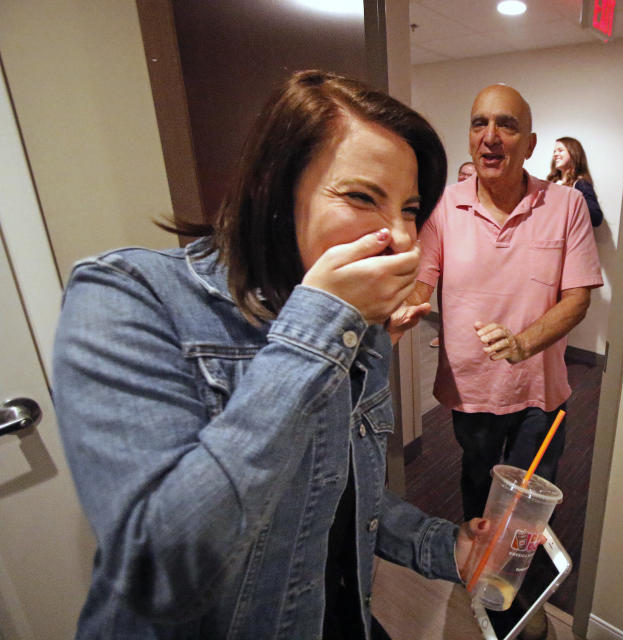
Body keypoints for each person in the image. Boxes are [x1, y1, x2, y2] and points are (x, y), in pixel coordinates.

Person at [52, 70, 487, 640]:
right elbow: (160, 572)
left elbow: (338, 489)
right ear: (273, 190)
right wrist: (322, 325)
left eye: (408, 209)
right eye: (362, 196)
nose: (403, 238)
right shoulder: (127, 297)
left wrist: (442, 546)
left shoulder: (362, 326)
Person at [395, 84, 602, 638]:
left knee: (531, 509)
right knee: (478, 490)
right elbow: (422, 280)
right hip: (471, 391)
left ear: (529, 142)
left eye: (506, 125)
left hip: (543, 391)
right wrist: (404, 307)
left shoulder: (566, 206)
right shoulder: (444, 206)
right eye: (479, 123)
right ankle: (481, 588)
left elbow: (577, 298)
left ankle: (520, 603)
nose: (490, 137)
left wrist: (523, 343)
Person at [429, 160, 477, 349]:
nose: (464, 177)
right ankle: (445, 337)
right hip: (448, 259)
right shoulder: (446, 198)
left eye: (469, 174)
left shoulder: (482, 200)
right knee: (447, 303)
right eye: (462, 173)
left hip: (473, 262)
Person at [547, 136, 603, 227]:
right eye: (554, 151)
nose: (555, 154)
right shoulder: (552, 183)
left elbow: (596, 218)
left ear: (573, 154)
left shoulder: (580, 184)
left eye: (560, 150)